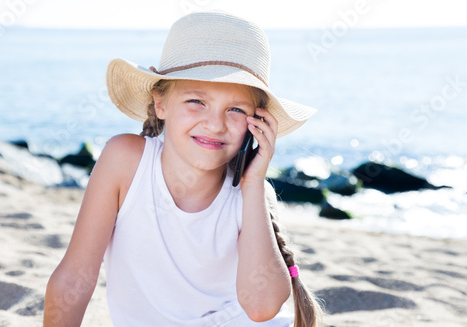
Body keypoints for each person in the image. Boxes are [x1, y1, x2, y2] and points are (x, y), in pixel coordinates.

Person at [43, 11, 323, 327]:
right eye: (196, 101)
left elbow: (262, 308)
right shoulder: (125, 161)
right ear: (160, 104)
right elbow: (75, 278)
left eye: (235, 109)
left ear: (256, 123)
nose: (215, 124)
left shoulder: (251, 193)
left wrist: (255, 182)